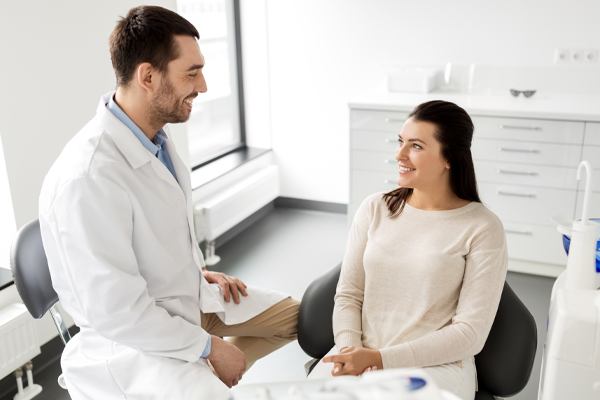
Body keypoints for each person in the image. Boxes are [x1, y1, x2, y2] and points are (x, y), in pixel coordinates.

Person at [39, 6, 299, 400]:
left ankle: (212, 369)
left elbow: (157, 233)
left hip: (186, 296)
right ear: (148, 76)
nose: (204, 85)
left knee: (302, 319)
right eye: (191, 73)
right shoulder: (88, 177)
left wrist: (193, 271)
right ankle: (211, 372)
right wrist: (208, 347)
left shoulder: (154, 138)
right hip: (133, 342)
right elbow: (117, 312)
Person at [310, 100, 508, 400]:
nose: (399, 154)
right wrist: (351, 351)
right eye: (401, 142)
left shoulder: (482, 227)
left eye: (415, 146)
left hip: (435, 366)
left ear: (449, 158)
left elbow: (469, 334)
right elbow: (349, 294)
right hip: (359, 353)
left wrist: (380, 359)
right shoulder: (375, 208)